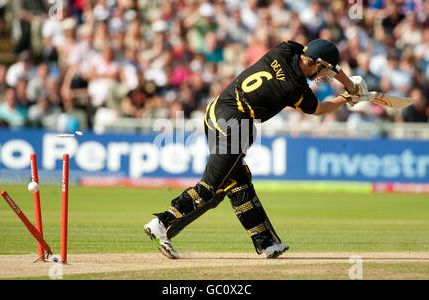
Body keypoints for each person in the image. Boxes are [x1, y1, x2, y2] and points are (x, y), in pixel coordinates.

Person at [144, 39, 372, 259]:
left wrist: (351, 85)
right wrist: (345, 97)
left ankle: (267, 244)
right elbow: (320, 109)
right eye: (322, 71)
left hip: (218, 110)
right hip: (232, 124)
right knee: (210, 187)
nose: (322, 76)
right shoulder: (294, 88)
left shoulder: (286, 49)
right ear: (318, 64)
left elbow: (326, 63)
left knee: (239, 181)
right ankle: (162, 222)